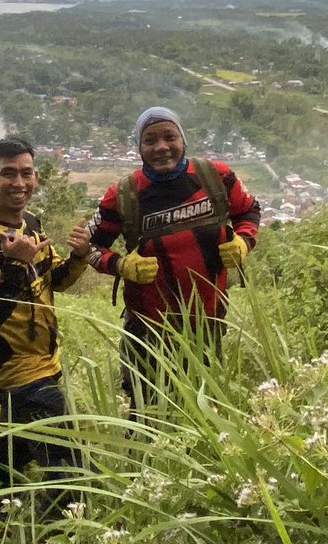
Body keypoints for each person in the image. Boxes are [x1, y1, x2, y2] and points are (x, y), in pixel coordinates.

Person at [82, 107, 261, 415]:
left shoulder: (215, 176)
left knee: (202, 409)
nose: (161, 147)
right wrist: (121, 266)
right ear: (139, 147)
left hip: (208, 322)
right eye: (150, 140)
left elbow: (249, 211)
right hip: (148, 327)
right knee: (149, 412)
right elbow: (91, 248)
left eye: (169, 137)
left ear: (183, 139)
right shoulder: (123, 194)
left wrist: (243, 242)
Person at [0, 136, 91, 497]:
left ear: (36, 176)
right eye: (7, 173)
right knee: (69, 472)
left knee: (13, 454)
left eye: (26, 173)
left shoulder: (30, 225)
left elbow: (55, 279)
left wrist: (79, 258)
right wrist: (14, 265)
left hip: (46, 361)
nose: (18, 183)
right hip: (15, 370)